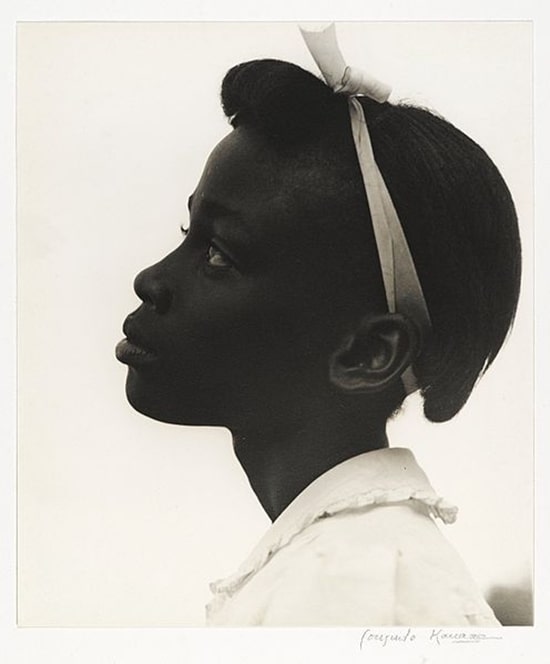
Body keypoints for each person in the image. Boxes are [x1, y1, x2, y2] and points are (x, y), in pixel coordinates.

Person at [115, 26, 521, 626]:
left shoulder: (355, 590)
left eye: (220, 254)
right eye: (188, 235)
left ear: (367, 353)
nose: (150, 280)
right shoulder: (340, 566)